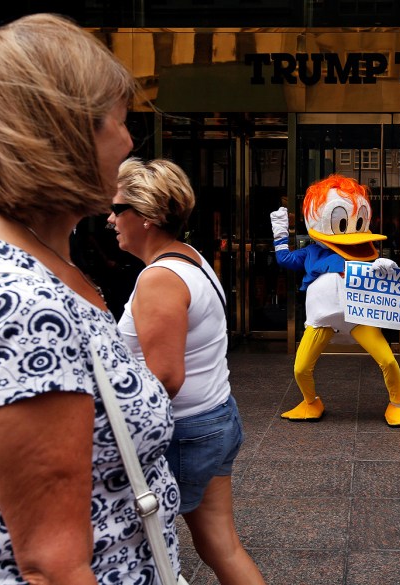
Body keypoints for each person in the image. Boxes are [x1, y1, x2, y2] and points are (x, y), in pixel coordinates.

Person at [0, 13, 182, 583]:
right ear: (65, 135)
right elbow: (53, 566)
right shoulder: (21, 307)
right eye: (118, 121)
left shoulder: (32, 256)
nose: (129, 140)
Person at [110, 157, 267, 585]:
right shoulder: (190, 258)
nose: (111, 219)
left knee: (143, 552)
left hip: (184, 431)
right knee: (220, 543)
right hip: (214, 417)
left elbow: (164, 378)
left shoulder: (159, 279)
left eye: (119, 209)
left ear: (146, 218)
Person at [270, 174, 400, 427]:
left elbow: (379, 278)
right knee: (301, 368)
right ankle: (311, 403)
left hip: (359, 318)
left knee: (388, 360)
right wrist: (280, 232)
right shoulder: (312, 252)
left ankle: (397, 405)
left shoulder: (363, 253)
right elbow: (284, 260)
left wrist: (386, 268)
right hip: (322, 321)